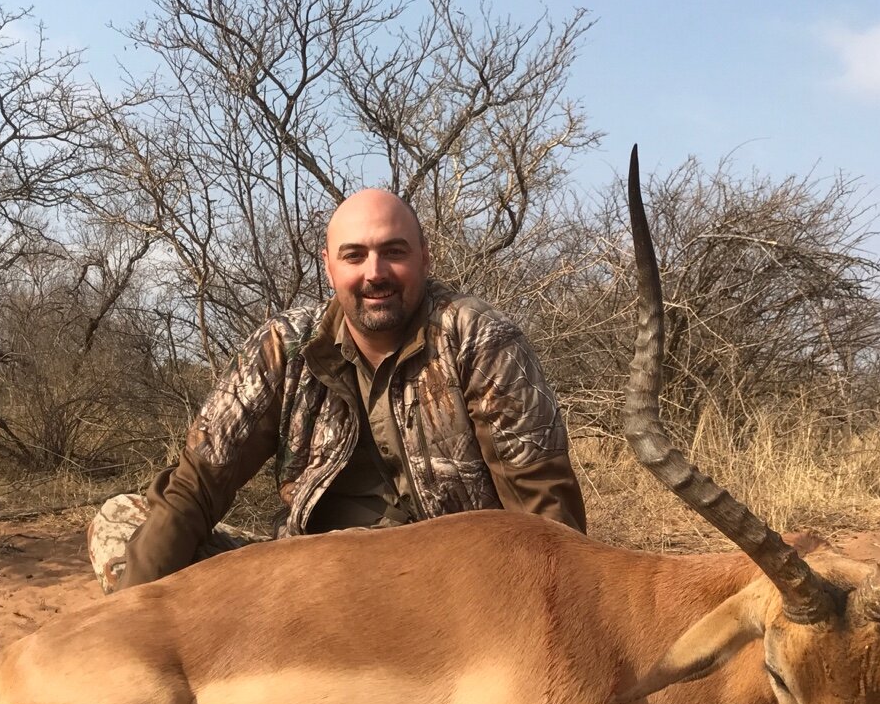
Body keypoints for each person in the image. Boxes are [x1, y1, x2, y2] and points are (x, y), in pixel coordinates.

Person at [88, 188, 586, 593]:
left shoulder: (479, 337)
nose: (375, 273)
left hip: (447, 594)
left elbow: (544, 514)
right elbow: (198, 483)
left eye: (394, 252)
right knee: (122, 521)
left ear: (424, 258)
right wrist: (133, 618)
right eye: (355, 256)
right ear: (329, 266)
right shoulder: (284, 345)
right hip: (311, 580)